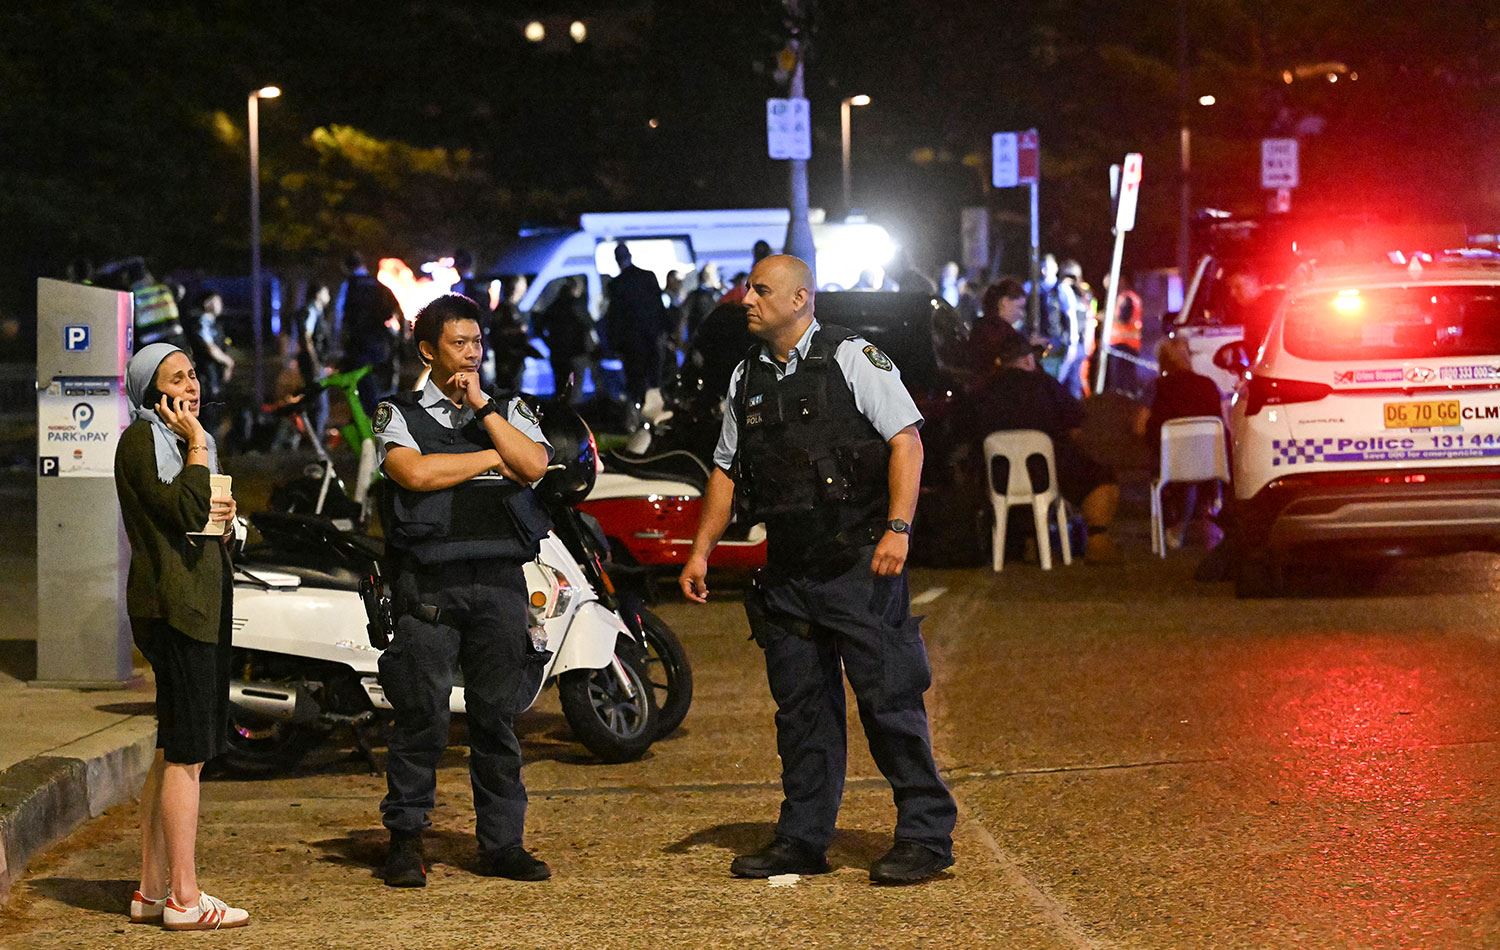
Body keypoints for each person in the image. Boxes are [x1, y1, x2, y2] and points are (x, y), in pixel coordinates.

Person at [679, 254, 958, 887]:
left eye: (761, 290)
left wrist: (897, 528)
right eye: (750, 289)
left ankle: (925, 835)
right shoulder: (746, 375)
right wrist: (701, 551)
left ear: (801, 298)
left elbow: (906, 440)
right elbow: (726, 469)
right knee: (800, 713)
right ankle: (804, 838)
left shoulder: (852, 357)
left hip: (857, 562)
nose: (748, 300)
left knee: (889, 702)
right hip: (789, 571)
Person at [372, 293, 554, 888]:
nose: (472, 353)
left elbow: (530, 467)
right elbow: (415, 473)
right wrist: (487, 458)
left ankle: (503, 845)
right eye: (459, 343)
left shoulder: (507, 408)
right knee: (421, 717)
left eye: (478, 342)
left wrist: (483, 410)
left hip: (499, 583)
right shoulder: (396, 412)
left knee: (496, 719)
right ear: (429, 351)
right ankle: (405, 841)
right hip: (430, 584)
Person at [115, 343, 248, 931]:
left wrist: (230, 520)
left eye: (194, 375)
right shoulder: (145, 441)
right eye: (177, 379)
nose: (191, 387)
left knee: (174, 748)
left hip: (195, 604)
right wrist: (197, 445)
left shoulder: (179, 445)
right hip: (176, 610)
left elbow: (208, 521)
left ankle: (151, 890)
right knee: (188, 757)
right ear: (152, 393)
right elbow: (186, 510)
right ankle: (185, 899)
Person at [960, 321, 1122, 564]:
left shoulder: (981, 392)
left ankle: (1028, 539)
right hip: (1047, 472)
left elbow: (968, 435)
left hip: (997, 478)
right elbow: (1075, 425)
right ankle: (1098, 538)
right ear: (1028, 360)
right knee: (1102, 478)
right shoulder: (1044, 385)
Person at [1135, 337, 1224, 549]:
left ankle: (1173, 527)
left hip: (1171, 466)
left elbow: (1139, 427)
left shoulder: (1156, 388)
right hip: (1212, 463)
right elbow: (1224, 424)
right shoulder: (1210, 386)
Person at [334, 251, 403, 415]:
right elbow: (397, 310)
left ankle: (369, 426)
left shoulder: (348, 285)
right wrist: (397, 338)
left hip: (358, 347)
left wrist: (338, 342)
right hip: (380, 346)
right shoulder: (378, 285)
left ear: (346, 267)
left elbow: (338, 316)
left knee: (361, 391)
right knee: (380, 388)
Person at [602, 242, 667, 404]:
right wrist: (665, 332)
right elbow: (659, 308)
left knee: (635, 382)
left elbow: (615, 317)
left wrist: (614, 344)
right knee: (654, 380)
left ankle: (638, 415)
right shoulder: (648, 276)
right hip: (652, 338)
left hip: (630, 343)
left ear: (617, 260)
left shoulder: (616, 284)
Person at [535, 275, 594, 399]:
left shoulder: (554, 306)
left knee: (560, 389)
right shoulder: (577, 306)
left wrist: (550, 344)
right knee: (574, 393)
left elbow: (538, 327)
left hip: (558, 355)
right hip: (576, 355)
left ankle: (559, 415)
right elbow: (589, 324)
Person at [185, 291, 233, 434]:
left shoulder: (213, 323)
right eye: (216, 301)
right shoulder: (202, 321)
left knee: (214, 412)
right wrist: (228, 362)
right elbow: (210, 348)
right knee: (208, 412)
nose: (220, 305)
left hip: (213, 374)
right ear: (207, 304)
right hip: (206, 374)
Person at [125, 260, 188, 352]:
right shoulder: (164, 287)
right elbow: (181, 292)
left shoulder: (131, 295)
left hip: (149, 339)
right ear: (147, 274)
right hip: (172, 334)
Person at [682, 262, 722, 340]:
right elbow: (684, 317)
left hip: (699, 338)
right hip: (705, 337)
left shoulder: (694, 294)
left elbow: (683, 317)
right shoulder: (717, 294)